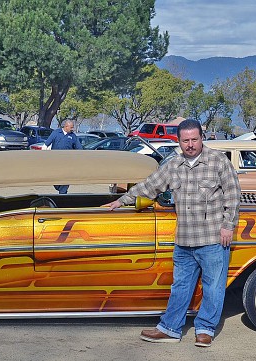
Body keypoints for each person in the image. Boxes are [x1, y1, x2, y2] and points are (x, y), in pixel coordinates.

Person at [105, 119, 241, 348]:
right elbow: (149, 185)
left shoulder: (219, 161)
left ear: (202, 138)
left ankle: (205, 329)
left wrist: (228, 225)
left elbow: (233, 195)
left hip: (213, 239)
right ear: (178, 141)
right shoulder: (172, 165)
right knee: (180, 286)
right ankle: (170, 328)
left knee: (213, 287)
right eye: (185, 140)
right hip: (184, 240)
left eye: (194, 140)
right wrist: (120, 201)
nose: (190, 145)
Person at [44, 119, 82, 194]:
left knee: (66, 179)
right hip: (55, 162)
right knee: (55, 179)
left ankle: (63, 194)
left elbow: (79, 148)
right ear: (66, 126)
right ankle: (60, 188)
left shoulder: (73, 136)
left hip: (68, 163)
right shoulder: (55, 133)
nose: (72, 129)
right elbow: (46, 145)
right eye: (71, 127)